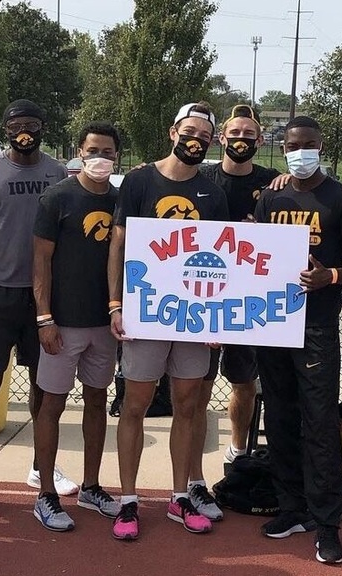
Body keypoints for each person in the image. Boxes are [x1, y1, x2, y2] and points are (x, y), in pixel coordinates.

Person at [107, 102, 229, 540]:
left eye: (204, 134)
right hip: (146, 313)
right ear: (172, 131)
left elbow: (221, 261)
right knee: (135, 405)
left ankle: (179, 497)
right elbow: (118, 247)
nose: (195, 139)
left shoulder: (214, 194)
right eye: (188, 130)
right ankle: (127, 501)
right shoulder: (139, 181)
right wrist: (115, 304)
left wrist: (218, 319)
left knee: (188, 405)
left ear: (212, 142)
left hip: (193, 318)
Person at [252, 116, 342, 564]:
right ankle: (292, 507)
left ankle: (327, 523)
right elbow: (253, 256)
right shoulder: (272, 196)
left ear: (321, 146)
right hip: (272, 322)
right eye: (291, 144)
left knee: (318, 421)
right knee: (280, 416)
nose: (299, 151)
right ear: (282, 149)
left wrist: (331, 276)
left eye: (307, 144)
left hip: (316, 325)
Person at [0, 99, 73, 517]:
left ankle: (39, 467)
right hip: (0, 293)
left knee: (44, 387)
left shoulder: (57, 172)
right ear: (5, 129)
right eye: (16, 125)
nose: (24, 131)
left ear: (43, 126)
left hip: (42, 297)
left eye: (32, 123)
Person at [186, 104, 282, 523]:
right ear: (222, 137)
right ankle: (192, 476)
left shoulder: (272, 183)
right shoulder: (202, 178)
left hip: (247, 298)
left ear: (260, 141)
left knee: (244, 382)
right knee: (200, 386)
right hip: (203, 294)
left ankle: (238, 451)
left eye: (250, 133)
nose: (242, 138)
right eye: (235, 132)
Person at [30, 122, 123, 531]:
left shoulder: (122, 200)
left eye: (107, 150)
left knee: (97, 402)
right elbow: (41, 263)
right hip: (62, 324)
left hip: (105, 323)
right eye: (92, 149)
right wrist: (44, 317)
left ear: (117, 155)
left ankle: (90, 486)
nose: (100, 156)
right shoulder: (57, 197)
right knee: (51, 404)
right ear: (79, 152)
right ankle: (46, 493)